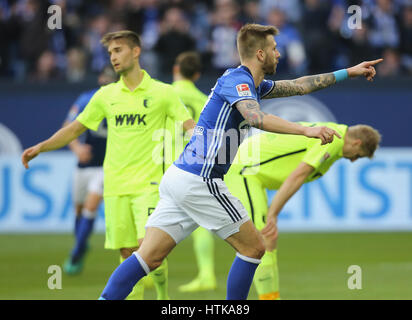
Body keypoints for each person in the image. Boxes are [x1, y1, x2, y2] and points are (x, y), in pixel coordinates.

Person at [93, 23, 381, 301]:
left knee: (149, 257)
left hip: (180, 177)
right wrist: (308, 130)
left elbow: (299, 85)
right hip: (201, 179)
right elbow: (256, 117)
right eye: (274, 48)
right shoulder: (238, 81)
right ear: (260, 54)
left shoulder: (251, 84)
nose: (278, 53)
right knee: (255, 248)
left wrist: (349, 72)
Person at [21, 30, 195, 300]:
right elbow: (74, 129)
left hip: (149, 186)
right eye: (110, 52)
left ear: (136, 52)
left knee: (148, 252)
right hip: (115, 187)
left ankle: (163, 297)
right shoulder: (105, 95)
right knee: (127, 255)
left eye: (118, 50)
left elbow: (189, 126)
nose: (113, 57)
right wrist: (42, 146)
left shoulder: (163, 93)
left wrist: (205, 143)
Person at [225, 122, 381, 300]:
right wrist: (273, 214)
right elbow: (298, 175)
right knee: (259, 241)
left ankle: (270, 297)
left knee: (266, 241)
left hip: (250, 170)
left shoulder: (333, 135)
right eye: (358, 156)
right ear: (357, 143)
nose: (353, 160)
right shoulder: (334, 139)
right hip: (244, 170)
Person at [166, 51, 218, 292]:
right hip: (195, 166)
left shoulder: (164, 94)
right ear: (197, 74)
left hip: (164, 166)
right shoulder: (204, 99)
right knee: (201, 223)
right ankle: (207, 274)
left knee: (152, 221)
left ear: (176, 68)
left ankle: (147, 272)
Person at [63, 65, 117, 275]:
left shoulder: (123, 100)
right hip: (85, 164)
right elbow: (67, 126)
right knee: (78, 209)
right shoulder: (87, 98)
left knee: (90, 206)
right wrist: (76, 147)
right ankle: (81, 245)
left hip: (106, 165)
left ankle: (76, 252)